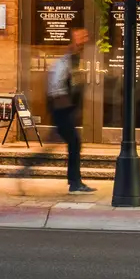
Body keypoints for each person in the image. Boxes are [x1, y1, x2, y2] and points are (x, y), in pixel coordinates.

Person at [46, 26, 91, 194]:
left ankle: (75, 181)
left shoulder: (74, 57)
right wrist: (64, 108)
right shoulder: (68, 58)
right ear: (73, 37)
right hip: (61, 109)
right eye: (81, 36)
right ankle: (75, 182)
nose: (84, 39)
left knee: (72, 143)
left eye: (85, 36)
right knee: (74, 142)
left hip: (64, 109)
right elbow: (57, 84)